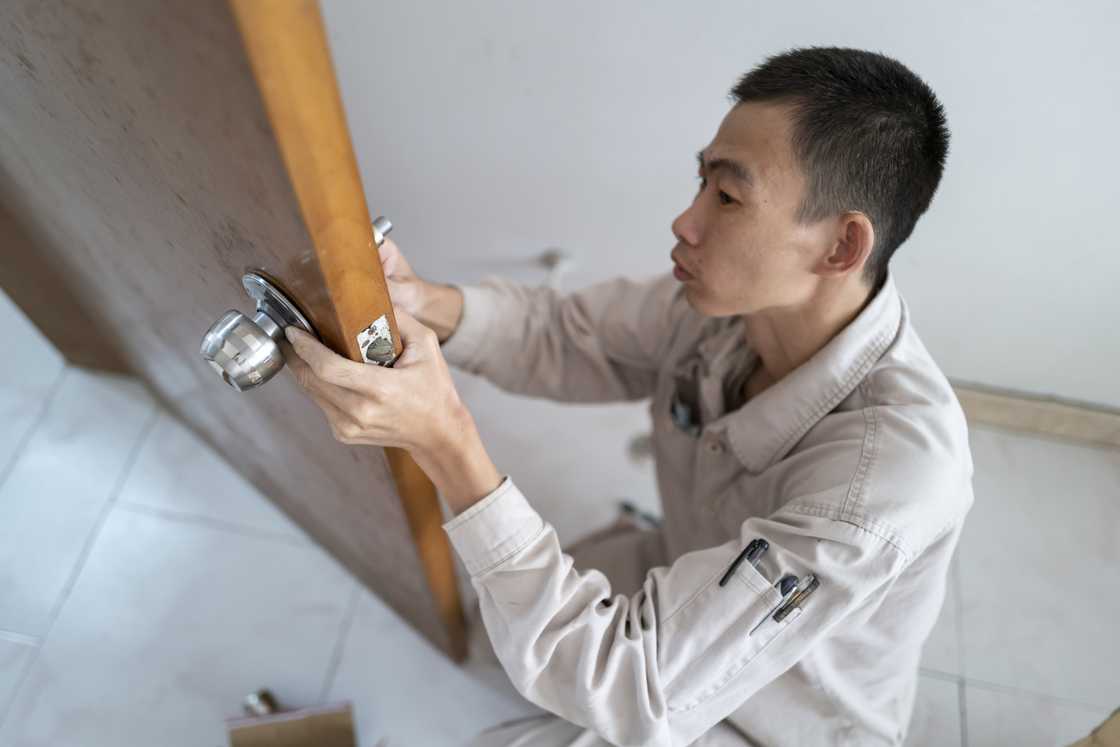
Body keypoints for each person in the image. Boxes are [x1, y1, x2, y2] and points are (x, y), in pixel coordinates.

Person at [286, 45, 972, 746]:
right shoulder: (725, 309)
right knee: (507, 629)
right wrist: (419, 301)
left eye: (728, 197)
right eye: (701, 181)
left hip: (779, 719)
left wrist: (445, 441)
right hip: (690, 561)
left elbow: (631, 683)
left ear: (839, 248)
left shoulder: (890, 481)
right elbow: (569, 333)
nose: (686, 221)